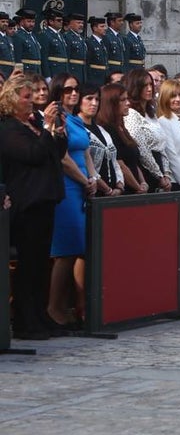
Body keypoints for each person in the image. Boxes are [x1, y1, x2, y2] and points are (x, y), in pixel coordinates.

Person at [0, 73, 68, 339]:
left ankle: (41, 315)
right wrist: (49, 130)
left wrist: (56, 133)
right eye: (26, 97)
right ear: (11, 99)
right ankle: (26, 321)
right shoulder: (8, 129)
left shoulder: (33, 125)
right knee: (28, 265)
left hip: (46, 198)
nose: (31, 102)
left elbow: (54, 153)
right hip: (26, 202)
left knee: (41, 264)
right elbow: (33, 155)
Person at [46, 74, 94, 330]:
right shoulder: (56, 118)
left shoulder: (75, 119)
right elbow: (62, 158)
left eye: (76, 89)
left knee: (78, 249)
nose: (73, 94)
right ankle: (54, 308)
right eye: (67, 91)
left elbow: (84, 151)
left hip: (81, 187)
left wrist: (93, 176)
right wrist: (83, 180)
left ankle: (73, 306)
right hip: (66, 188)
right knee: (65, 252)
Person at [122, 68, 171, 192]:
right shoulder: (131, 114)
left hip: (160, 168)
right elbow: (142, 148)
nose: (149, 89)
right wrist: (158, 175)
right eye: (144, 86)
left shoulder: (151, 113)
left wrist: (166, 173)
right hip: (146, 171)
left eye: (151, 85)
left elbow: (162, 145)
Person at [97, 82, 148, 194]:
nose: (128, 103)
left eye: (127, 99)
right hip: (126, 190)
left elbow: (133, 161)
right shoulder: (108, 130)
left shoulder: (122, 128)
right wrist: (137, 187)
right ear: (111, 103)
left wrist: (143, 182)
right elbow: (120, 164)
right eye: (123, 100)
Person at [13, 8, 44, 77]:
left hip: (37, 70)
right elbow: (17, 57)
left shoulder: (32, 36)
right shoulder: (18, 36)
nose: (31, 24)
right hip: (26, 71)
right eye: (29, 21)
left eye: (33, 22)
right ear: (21, 22)